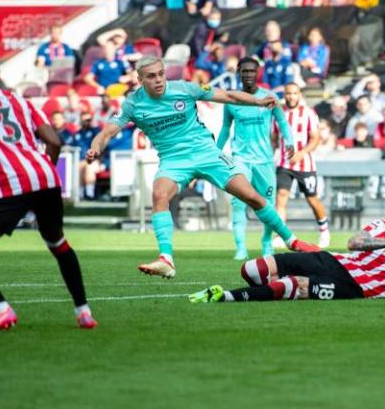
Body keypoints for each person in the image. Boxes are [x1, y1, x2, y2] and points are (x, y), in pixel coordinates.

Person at [86, 56, 317, 279]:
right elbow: (107, 132)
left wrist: (257, 101)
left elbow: (227, 96)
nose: (158, 80)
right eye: (151, 76)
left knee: (252, 197)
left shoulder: (185, 88)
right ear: (140, 79)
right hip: (174, 161)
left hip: (207, 154)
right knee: (158, 194)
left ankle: (291, 240)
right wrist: (95, 147)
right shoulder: (133, 103)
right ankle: (166, 259)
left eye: (160, 74)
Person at [0, 53, 95, 334]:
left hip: (11, 183)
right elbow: (54, 141)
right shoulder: (20, 101)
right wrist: (41, 174)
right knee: (57, 242)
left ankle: (1, 310)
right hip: (46, 178)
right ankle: (84, 312)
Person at [188, 191, 385, 303]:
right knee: (252, 268)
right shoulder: (384, 228)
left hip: (352, 287)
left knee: (292, 286)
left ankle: (227, 298)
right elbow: (354, 243)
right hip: (332, 260)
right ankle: (273, 292)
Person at [216, 57, 295, 261]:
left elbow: (282, 122)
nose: (248, 75)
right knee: (238, 202)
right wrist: (216, 150)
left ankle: (267, 243)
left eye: (252, 71)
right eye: (245, 71)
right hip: (241, 158)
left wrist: (289, 141)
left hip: (265, 160)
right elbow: (225, 128)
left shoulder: (269, 97)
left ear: (258, 73)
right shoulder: (231, 100)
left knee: (267, 204)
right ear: (239, 72)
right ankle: (240, 248)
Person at [273, 83, 331, 249]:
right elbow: (274, 138)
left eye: (294, 93)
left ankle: (324, 231)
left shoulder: (308, 113)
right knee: (281, 197)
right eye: (288, 93)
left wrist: (301, 153)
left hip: (305, 164)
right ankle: (279, 235)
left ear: (299, 95)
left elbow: (315, 138)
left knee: (312, 199)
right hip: (284, 163)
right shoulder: (278, 113)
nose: (291, 96)